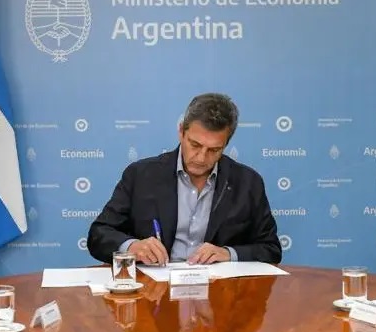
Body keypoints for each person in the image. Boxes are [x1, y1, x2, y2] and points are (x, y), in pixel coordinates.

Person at [88, 93, 281, 266]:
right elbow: (99, 234)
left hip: (219, 290)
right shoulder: (141, 175)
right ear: (181, 132)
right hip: (154, 289)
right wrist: (132, 247)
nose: (201, 158)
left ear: (226, 145)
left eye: (214, 150)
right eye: (195, 145)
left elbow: (271, 249)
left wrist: (228, 253)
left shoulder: (248, 183)